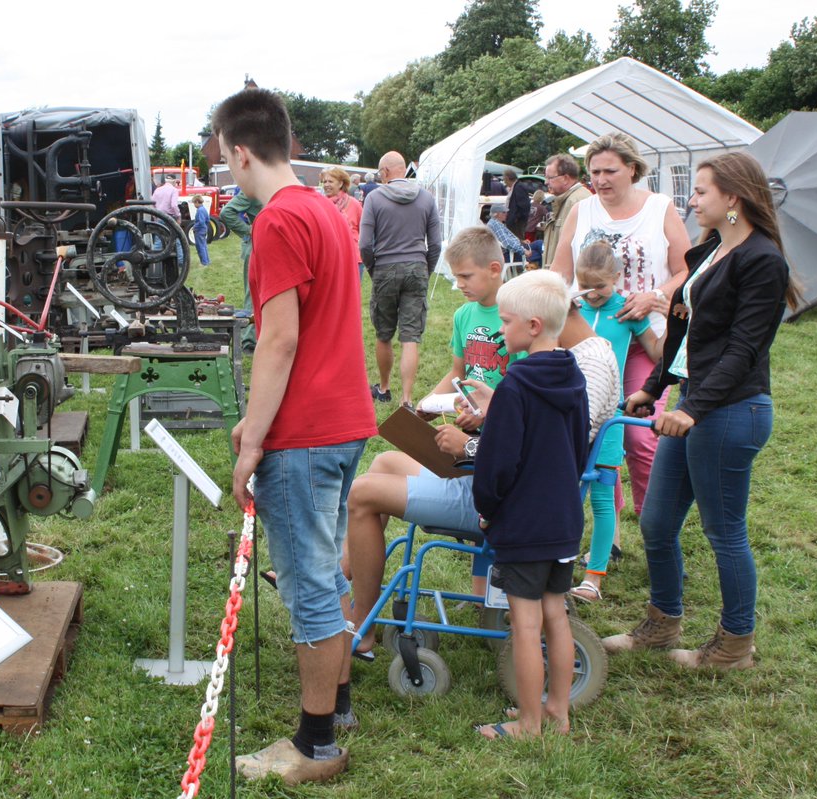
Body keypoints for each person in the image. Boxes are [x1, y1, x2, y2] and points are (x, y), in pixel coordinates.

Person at [214, 88, 376, 785]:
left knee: (309, 586)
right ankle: (338, 708)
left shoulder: (278, 221)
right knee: (326, 574)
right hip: (345, 421)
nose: (229, 168)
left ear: (240, 152)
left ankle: (316, 746)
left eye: (226, 157)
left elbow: (278, 340)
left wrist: (253, 439)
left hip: (305, 433)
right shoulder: (325, 209)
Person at [603, 152, 800, 670]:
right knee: (657, 522)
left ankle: (735, 645)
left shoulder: (761, 260)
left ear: (733, 197)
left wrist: (693, 409)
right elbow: (685, 331)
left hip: (731, 411)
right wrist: (655, 387)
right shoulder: (711, 249)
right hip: (695, 402)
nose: (692, 200)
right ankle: (662, 623)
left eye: (701, 191)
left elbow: (744, 349)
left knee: (724, 532)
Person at [344, 227, 516, 654]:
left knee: (362, 492)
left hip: (484, 469)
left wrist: (482, 418)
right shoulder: (465, 317)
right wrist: (427, 404)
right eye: (455, 277)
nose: (459, 285)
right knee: (383, 462)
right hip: (469, 455)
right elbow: (458, 374)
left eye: (466, 277)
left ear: (496, 270)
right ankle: (340, 580)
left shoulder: (518, 323)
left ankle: (359, 623)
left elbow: (517, 407)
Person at [550, 133, 690, 536]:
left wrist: (654, 296)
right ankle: (606, 528)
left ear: (632, 168)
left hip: (645, 338)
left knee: (640, 435)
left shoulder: (659, 208)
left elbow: (686, 269)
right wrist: (558, 302)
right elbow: (559, 271)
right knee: (593, 430)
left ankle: (655, 524)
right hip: (590, 341)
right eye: (594, 172)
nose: (601, 179)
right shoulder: (582, 210)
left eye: (610, 170)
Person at [473, 269, 589, 739]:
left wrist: (487, 507)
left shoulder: (515, 385)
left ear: (533, 326)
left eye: (505, 322)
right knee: (556, 614)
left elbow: (497, 462)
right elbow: (579, 448)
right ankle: (558, 712)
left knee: (525, 623)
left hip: (524, 524)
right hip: (563, 520)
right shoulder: (574, 376)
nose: (501, 330)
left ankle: (528, 723)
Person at [570, 241, 664, 603]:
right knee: (565, 491)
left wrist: (675, 318)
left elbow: (656, 352)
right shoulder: (571, 308)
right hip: (570, 414)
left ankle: (593, 579)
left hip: (609, 417)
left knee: (602, 495)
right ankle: (555, 565)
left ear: (616, 278)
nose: (592, 294)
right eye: (585, 285)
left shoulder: (627, 312)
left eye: (600, 287)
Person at [359, 150, 442, 409]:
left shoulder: (374, 198)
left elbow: (365, 244)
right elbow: (436, 244)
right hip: (417, 267)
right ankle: (407, 399)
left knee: (384, 334)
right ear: (403, 170)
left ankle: (384, 388)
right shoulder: (426, 198)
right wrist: (425, 270)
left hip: (385, 268)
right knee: (410, 337)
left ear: (384, 172)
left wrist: (373, 269)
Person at [219, 189, 263, 354]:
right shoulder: (252, 192)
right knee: (253, 294)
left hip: (268, 246)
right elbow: (226, 213)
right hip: (256, 248)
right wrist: (248, 230)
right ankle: (249, 340)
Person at [541, 153, 591, 271]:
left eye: (549, 178)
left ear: (565, 178)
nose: (546, 182)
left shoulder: (577, 201)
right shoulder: (567, 200)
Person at [320, 166, 363, 264]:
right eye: (324, 182)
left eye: (330, 181)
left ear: (340, 183)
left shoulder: (354, 204)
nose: (326, 185)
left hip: (352, 258)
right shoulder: (319, 205)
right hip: (329, 258)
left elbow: (364, 231)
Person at [502, 169, 530, 240]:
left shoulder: (519, 187)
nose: (504, 182)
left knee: (517, 240)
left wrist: (516, 218)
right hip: (513, 221)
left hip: (516, 223)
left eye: (504, 179)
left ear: (507, 178)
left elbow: (524, 206)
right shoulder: (515, 187)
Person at [190, 195, 211, 266]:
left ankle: (204, 263)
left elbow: (201, 222)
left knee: (200, 247)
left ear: (197, 202)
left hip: (199, 231)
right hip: (204, 230)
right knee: (204, 246)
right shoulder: (204, 209)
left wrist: (194, 226)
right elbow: (208, 220)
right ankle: (207, 261)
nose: (194, 205)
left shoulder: (200, 210)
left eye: (194, 203)